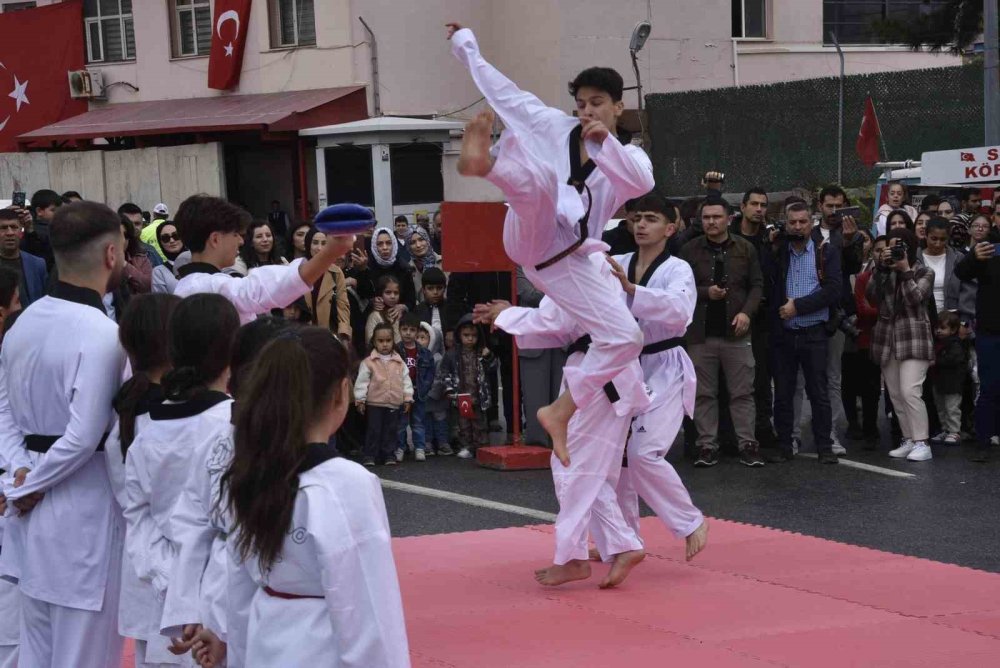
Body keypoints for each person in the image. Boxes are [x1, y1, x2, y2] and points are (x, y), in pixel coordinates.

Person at [448, 23, 653, 463]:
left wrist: (604, 145)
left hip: (569, 261)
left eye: (597, 104)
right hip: (529, 234)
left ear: (619, 106)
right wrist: (466, 46)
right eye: (581, 104)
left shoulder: (630, 155)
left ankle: (559, 411)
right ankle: (484, 166)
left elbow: (640, 183)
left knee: (626, 338)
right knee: (540, 177)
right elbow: (505, 93)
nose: (587, 111)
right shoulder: (553, 126)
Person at [220, 327, 409, 666]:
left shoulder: (250, 470)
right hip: (321, 649)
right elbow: (369, 611)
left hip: (263, 640)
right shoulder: (346, 484)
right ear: (342, 392)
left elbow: (237, 587)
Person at [0, 201, 127, 667]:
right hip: (80, 513)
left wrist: (19, 474)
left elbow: (4, 413)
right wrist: (24, 483)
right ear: (112, 254)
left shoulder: (23, 322)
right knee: (82, 657)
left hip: (32, 506)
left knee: (38, 653)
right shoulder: (102, 334)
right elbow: (83, 435)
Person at [159, 316, 292, 667]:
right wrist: (187, 608)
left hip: (274, 596)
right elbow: (189, 523)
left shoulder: (293, 442)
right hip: (222, 587)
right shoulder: (218, 435)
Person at [120, 294, 238, 668]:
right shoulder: (235, 427)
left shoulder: (146, 430)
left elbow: (137, 521)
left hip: (165, 606)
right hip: (219, 613)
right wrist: (195, 599)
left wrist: (173, 585)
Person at [590, 192, 708, 562]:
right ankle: (623, 541)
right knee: (617, 460)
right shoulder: (618, 261)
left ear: (670, 228)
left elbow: (679, 312)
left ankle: (689, 521)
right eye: (637, 218)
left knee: (643, 453)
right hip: (625, 369)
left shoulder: (678, 269)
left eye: (651, 219)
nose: (641, 224)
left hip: (666, 365)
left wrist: (632, 291)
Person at [171, 195, 352, 325]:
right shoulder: (206, 287)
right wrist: (331, 251)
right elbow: (259, 289)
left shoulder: (189, 285)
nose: (241, 241)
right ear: (216, 239)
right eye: (236, 234)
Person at [680, 195, 764, 467]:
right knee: (703, 394)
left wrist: (746, 313)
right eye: (706, 217)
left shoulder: (745, 248)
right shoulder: (689, 249)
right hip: (700, 335)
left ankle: (748, 445)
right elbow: (679, 289)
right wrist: (707, 293)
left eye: (717, 217)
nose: (711, 222)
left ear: (729, 219)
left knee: (742, 393)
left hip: (736, 333)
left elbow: (757, 286)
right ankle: (706, 446)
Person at [765, 201, 843, 464]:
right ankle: (785, 445)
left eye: (803, 222)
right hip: (785, 333)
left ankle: (824, 446)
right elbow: (765, 281)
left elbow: (834, 289)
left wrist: (798, 306)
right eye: (792, 222)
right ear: (785, 224)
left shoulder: (825, 251)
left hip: (814, 331)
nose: (797, 227)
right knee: (784, 392)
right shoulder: (780, 251)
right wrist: (771, 245)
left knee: (818, 392)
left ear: (812, 223)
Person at [867, 228, 935, 462]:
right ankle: (908, 439)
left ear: (911, 247)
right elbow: (871, 296)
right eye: (892, 246)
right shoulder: (886, 272)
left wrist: (905, 271)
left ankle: (922, 442)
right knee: (895, 394)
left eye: (900, 247)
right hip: (888, 338)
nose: (896, 251)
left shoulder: (925, 271)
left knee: (910, 391)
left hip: (914, 338)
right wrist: (881, 269)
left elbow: (915, 299)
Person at [954, 228, 1000, 462]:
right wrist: (974, 256)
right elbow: (961, 271)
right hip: (991, 331)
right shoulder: (988, 245)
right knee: (989, 387)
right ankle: (983, 441)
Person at [516, 267, 568, 446]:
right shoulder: (520, 264)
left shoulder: (562, 260)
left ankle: (560, 442)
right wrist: (556, 294)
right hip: (533, 338)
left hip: (562, 338)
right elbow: (527, 294)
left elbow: (570, 291)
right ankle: (537, 441)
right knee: (534, 395)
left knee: (560, 394)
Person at [433, 314, 496, 459]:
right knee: (465, 424)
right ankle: (467, 446)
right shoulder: (452, 354)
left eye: (474, 335)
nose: (470, 338)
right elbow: (444, 372)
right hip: (463, 396)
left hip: (479, 396)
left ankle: (481, 447)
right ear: (458, 335)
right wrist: (449, 388)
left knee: (480, 424)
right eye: (466, 335)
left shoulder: (481, 352)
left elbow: (493, 368)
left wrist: (488, 357)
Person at [842, 234, 882, 448]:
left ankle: (871, 427)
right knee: (849, 381)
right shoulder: (854, 271)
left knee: (871, 385)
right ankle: (853, 423)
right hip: (851, 327)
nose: (863, 245)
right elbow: (861, 306)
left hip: (874, 334)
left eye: (866, 240)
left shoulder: (881, 272)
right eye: (860, 241)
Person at [355, 322, 414, 467]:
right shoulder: (369, 362)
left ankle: (388, 454)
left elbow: (406, 381)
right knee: (374, 430)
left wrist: (407, 398)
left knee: (391, 430)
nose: (385, 344)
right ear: (374, 342)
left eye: (388, 340)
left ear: (393, 341)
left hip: (394, 402)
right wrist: (360, 400)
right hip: (375, 403)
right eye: (380, 341)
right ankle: (370, 455)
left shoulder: (399, 362)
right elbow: (362, 382)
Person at [918, 218, 977, 324]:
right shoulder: (915, 258)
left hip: (951, 323)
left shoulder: (958, 258)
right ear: (926, 236)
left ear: (948, 238)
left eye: (942, 239)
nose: (938, 243)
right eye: (934, 239)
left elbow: (968, 293)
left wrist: (964, 322)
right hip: (920, 320)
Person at [301, 227, 351, 341]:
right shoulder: (298, 271)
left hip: (329, 335)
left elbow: (343, 307)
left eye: (324, 243)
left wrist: (344, 334)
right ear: (308, 245)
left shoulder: (336, 273)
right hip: (304, 336)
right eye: (315, 243)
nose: (319, 248)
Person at [396, 313, 435, 461]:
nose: (408, 333)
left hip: (419, 392)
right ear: (399, 330)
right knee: (401, 423)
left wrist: (425, 387)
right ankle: (400, 447)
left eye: (412, 330)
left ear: (417, 332)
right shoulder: (396, 350)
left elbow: (430, 372)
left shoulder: (425, 353)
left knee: (418, 422)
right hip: (402, 393)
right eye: (404, 329)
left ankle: (419, 447)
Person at [928, 311, 968, 446]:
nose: (938, 331)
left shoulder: (954, 344)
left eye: (942, 328)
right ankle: (945, 429)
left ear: (953, 329)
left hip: (952, 383)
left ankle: (954, 431)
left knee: (952, 408)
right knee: (941, 408)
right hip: (939, 382)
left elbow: (954, 359)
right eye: (936, 328)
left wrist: (936, 361)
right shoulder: (938, 343)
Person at [0, 209, 47, 307]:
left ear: (20, 231)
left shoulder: (37, 264)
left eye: (14, 227)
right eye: (3, 228)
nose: (10, 233)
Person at [363, 227, 417, 310]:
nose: (384, 247)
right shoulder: (368, 267)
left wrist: (403, 307)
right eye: (380, 244)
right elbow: (364, 295)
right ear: (374, 246)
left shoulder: (404, 268)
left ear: (394, 244)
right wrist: (372, 302)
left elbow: (411, 300)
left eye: (388, 243)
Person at [413, 267, 450, 355]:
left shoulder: (451, 308)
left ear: (445, 288)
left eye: (439, 288)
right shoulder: (418, 310)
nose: (435, 292)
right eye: (430, 288)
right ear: (424, 290)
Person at [365, 275, 404, 344]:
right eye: (388, 292)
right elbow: (370, 343)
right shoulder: (375, 316)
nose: (393, 296)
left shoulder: (401, 314)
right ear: (380, 294)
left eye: (396, 293)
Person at [151, 222, 186, 294]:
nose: (172, 241)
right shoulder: (159, 272)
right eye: (165, 238)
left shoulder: (198, 261)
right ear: (160, 243)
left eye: (176, 236)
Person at [406, 225, 441, 295]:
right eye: (413, 242)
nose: (418, 245)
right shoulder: (407, 270)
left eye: (421, 239)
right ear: (408, 247)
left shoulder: (444, 262)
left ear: (427, 240)